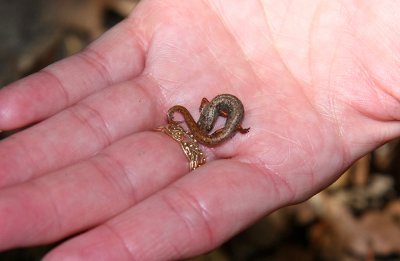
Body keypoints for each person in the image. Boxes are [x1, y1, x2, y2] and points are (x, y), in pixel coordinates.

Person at [0, 1, 399, 260]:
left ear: (206, 120)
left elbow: (215, 118)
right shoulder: (222, 121)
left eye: (197, 120)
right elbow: (222, 121)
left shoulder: (216, 118)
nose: (200, 120)